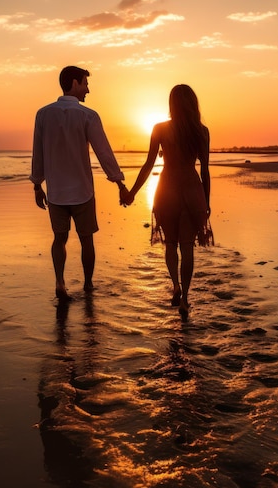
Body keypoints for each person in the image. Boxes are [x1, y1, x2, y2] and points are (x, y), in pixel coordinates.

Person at [31, 66, 128, 300]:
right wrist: (119, 184)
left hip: (55, 192)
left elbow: (38, 152)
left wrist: (37, 184)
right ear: (74, 83)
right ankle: (87, 284)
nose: (88, 90)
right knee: (87, 241)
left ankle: (60, 283)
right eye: (85, 83)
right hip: (82, 191)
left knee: (59, 238)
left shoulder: (43, 114)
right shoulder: (88, 115)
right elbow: (103, 152)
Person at [123, 84, 212, 318]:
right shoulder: (202, 131)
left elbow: (148, 164)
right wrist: (207, 201)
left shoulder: (160, 129)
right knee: (187, 247)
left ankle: (175, 285)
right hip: (193, 191)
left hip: (167, 190)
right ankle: (185, 299)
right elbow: (205, 171)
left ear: (171, 103)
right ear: (193, 104)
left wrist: (132, 193)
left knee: (171, 244)